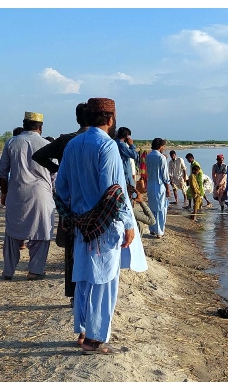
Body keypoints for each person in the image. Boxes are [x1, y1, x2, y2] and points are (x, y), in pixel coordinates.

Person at [54, 97, 147, 354]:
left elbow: (60, 188)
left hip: (81, 226)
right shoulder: (106, 146)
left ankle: (84, 332)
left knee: (84, 278)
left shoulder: (72, 146)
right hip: (105, 227)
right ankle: (95, 340)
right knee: (104, 282)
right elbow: (114, 191)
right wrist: (129, 224)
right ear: (110, 119)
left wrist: (72, 213)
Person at [31, 102, 89, 306]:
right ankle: (87, 295)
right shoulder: (102, 141)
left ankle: (74, 295)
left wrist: (58, 168)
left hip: (70, 202)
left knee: (72, 251)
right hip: (93, 204)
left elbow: (38, 156)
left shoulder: (66, 140)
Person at [0, 111, 55, 281]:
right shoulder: (47, 144)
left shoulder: (12, 142)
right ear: (41, 127)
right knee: (42, 231)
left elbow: (2, 172)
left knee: (13, 232)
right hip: (41, 194)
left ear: (24, 124)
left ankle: (8, 271)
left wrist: (4, 192)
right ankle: (35, 270)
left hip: (17, 192)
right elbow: (55, 174)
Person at [146, 138, 171, 238]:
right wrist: (168, 188)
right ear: (160, 146)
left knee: (152, 208)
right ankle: (159, 231)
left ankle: (152, 228)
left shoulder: (148, 156)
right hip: (159, 185)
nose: (164, 148)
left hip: (150, 184)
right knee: (161, 209)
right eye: (163, 146)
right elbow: (165, 175)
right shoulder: (161, 158)